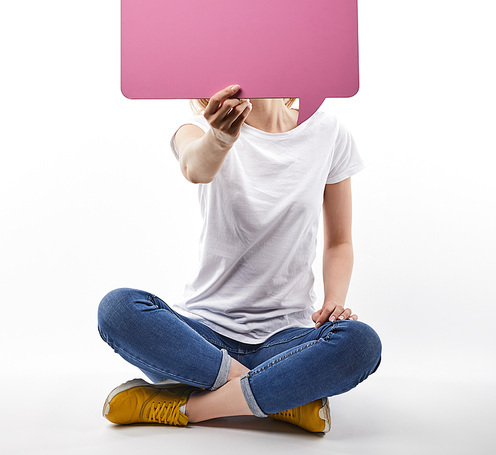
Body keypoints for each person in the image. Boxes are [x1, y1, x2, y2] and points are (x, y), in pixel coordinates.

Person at [98, 84, 382, 433]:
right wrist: (219, 138)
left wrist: (334, 302)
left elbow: (339, 241)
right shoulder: (199, 128)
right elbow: (195, 168)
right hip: (202, 341)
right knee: (117, 309)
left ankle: (189, 407)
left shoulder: (328, 132)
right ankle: (279, 396)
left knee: (361, 343)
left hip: (284, 338)